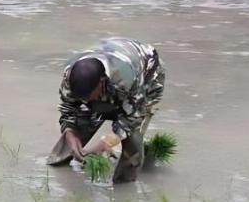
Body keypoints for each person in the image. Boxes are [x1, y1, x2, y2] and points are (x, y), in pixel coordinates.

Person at [47, 37, 166, 183]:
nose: (86, 101)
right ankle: (59, 163)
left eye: (90, 96)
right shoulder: (70, 76)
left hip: (147, 76)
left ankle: (125, 186)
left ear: (102, 82)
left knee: (132, 138)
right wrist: (70, 132)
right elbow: (68, 107)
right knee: (80, 120)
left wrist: (105, 144)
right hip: (109, 63)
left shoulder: (125, 78)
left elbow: (133, 118)